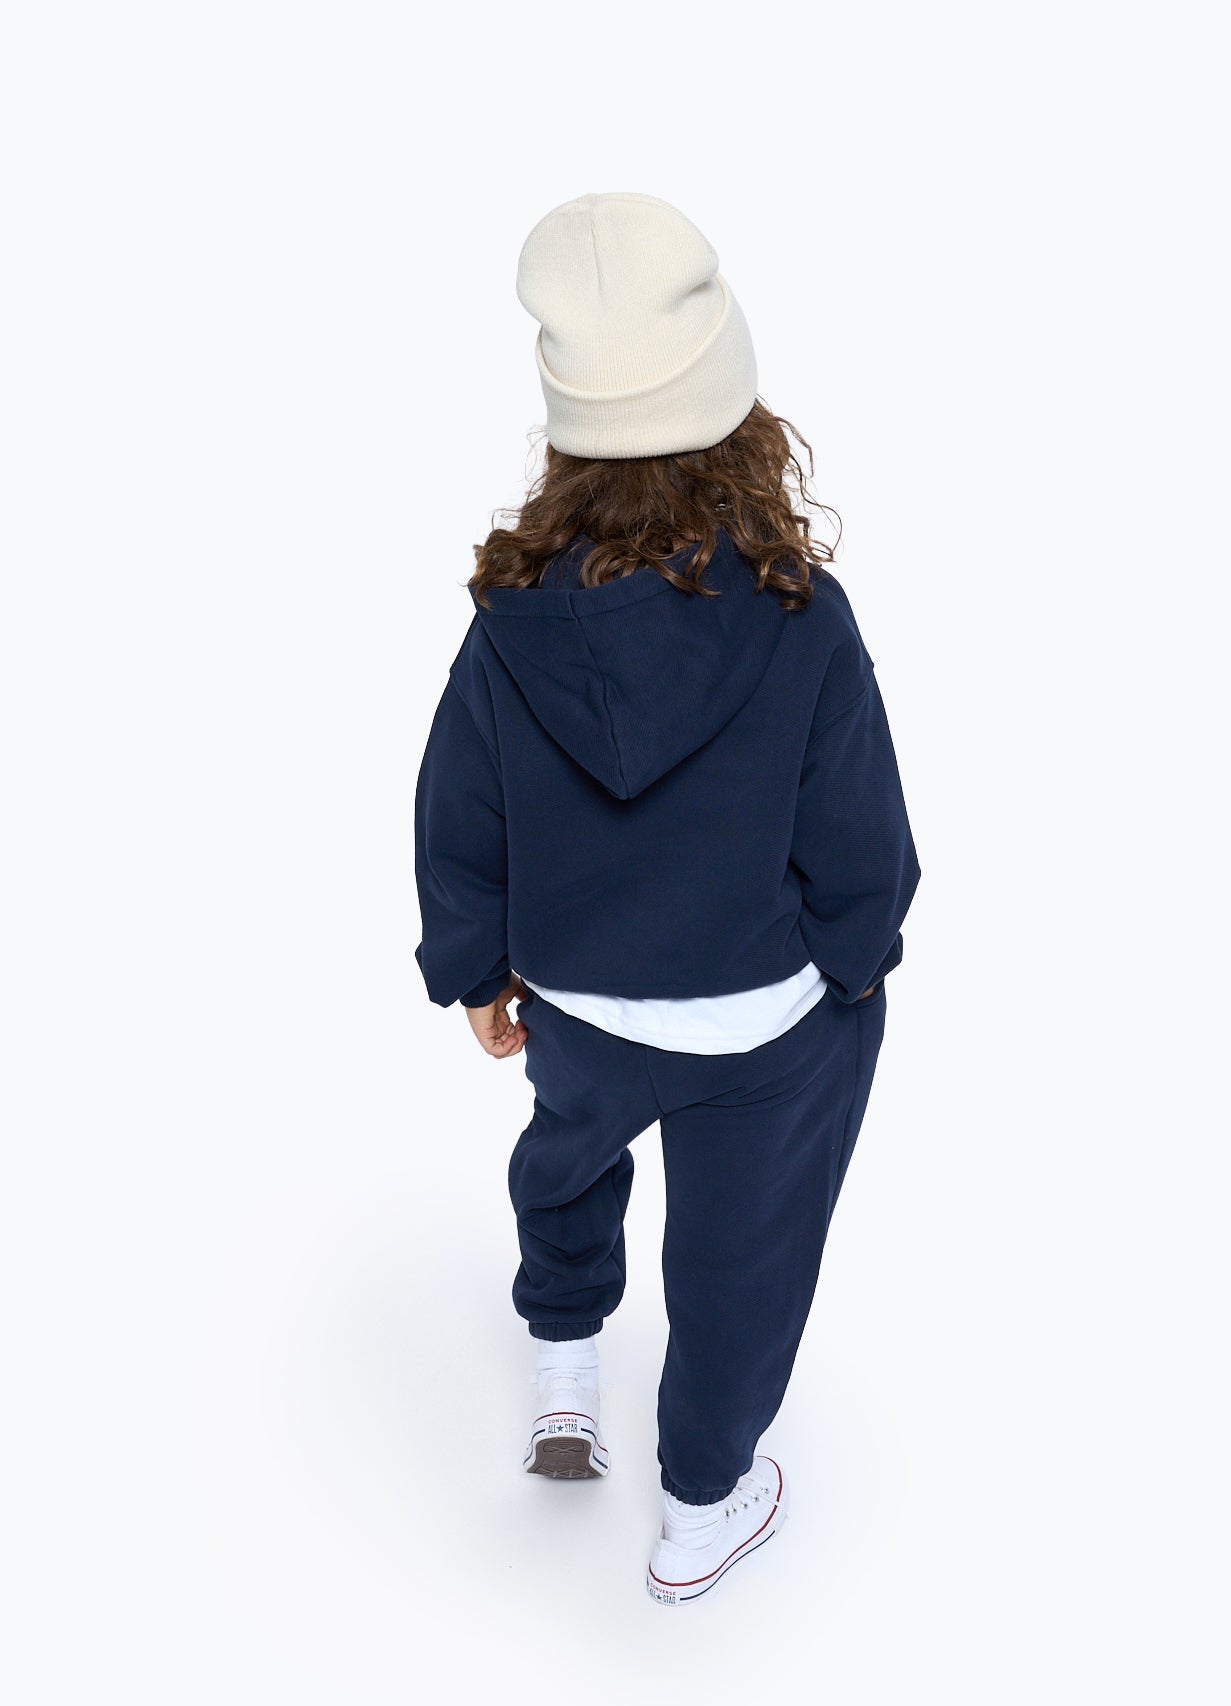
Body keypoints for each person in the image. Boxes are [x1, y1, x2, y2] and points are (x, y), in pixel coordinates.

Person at [413, 192, 921, 1606]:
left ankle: (564, 1360)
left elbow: (459, 809)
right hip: (759, 1027)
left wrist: (476, 967)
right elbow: (862, 845)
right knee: (740, 1261)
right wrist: (854, 961)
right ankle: (700, 1509)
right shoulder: (801, 615)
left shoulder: (510, 625)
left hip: (575, 997)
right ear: (736, 418)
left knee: (566, 1155)